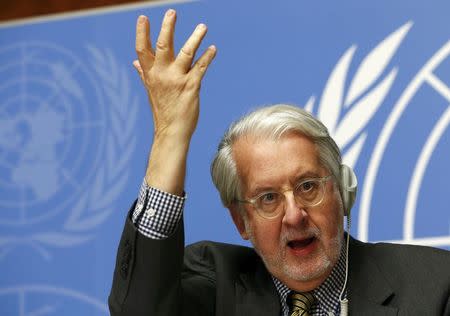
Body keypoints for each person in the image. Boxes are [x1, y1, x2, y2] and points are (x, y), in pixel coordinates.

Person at [109, 10, 450, 316]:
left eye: (308, 187)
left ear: (343, 192)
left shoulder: (436, 286)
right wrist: (169, 138)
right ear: (242, 220)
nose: (294, 215)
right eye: (268, 198)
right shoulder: (216, 285)